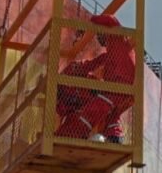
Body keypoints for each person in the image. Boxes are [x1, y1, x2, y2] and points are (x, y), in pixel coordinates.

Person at [55, 13, 136, 144]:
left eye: (99, 34)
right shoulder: (112, 52)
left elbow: (111, 20)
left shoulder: (116, 38)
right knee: (109, 114)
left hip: (119, 86)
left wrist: (90, 21)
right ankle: (114, 136)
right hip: (121, 89)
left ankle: (71, 136)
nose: (98, 37)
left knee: (92, 111)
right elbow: (94, 64)